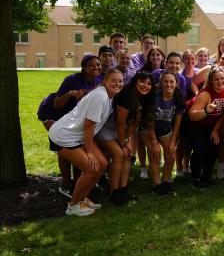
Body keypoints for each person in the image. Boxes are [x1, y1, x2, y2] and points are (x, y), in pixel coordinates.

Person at [48, 68, 123, 216]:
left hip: (77, 136)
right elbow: (89, 127)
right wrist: (89, 152)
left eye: (120, 81)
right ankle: (73, 205)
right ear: (105, 81)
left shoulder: (109, 95)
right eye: (113, 80)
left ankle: (83, 199)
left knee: (102, 164)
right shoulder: (100, 96)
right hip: (64, 136)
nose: (117, 84)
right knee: (91, 169)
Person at [96, 71, 155, 205]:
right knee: (119, 154)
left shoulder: (143, 98)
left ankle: (123, 189)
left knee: (127, 155)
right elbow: (120, 123)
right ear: (135, 81)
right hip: (106, 128)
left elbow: (134, 123)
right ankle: (113, 192)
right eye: (142, 81)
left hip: (120, 131)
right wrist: (123, 144)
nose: (145, 85)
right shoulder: (126, 95)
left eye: (149, 83)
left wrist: (126, 141)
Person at [50, 54, 102, 197]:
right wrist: (70, 94)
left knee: (81, 157)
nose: (95, 67)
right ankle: (66, 184)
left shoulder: (100, 81)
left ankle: (79, 184)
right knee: (65, 153)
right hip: (67, 123)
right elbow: (56, 104)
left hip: (84, 124)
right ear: (84, 68)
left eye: (98, 64)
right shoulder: (72, 80)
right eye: (91, 65)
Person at [186, 66, 224, 188]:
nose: (220, 82)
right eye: (216, 79)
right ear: (211, 81)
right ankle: (195, 179)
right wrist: (206, 110)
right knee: (200, 148)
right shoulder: (206, 94)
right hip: (192, 122)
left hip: (209, 124)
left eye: (222, 78)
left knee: (214, 145)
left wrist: (216, 129)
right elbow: (192, 115)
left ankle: (206, 176)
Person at [146, 71, 185, 195]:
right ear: (161, 83)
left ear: (176, 83)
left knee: (171, 153)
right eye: (165, 81)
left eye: (171, 82)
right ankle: (156, 185)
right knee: (154, 153)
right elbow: (149, 121)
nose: (168, 84)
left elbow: (178, 122)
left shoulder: (178, 96)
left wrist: (173, 142)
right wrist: (154, 142)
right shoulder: (154, 96)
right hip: (148, 128)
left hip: (164, 128)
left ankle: (166, 181)